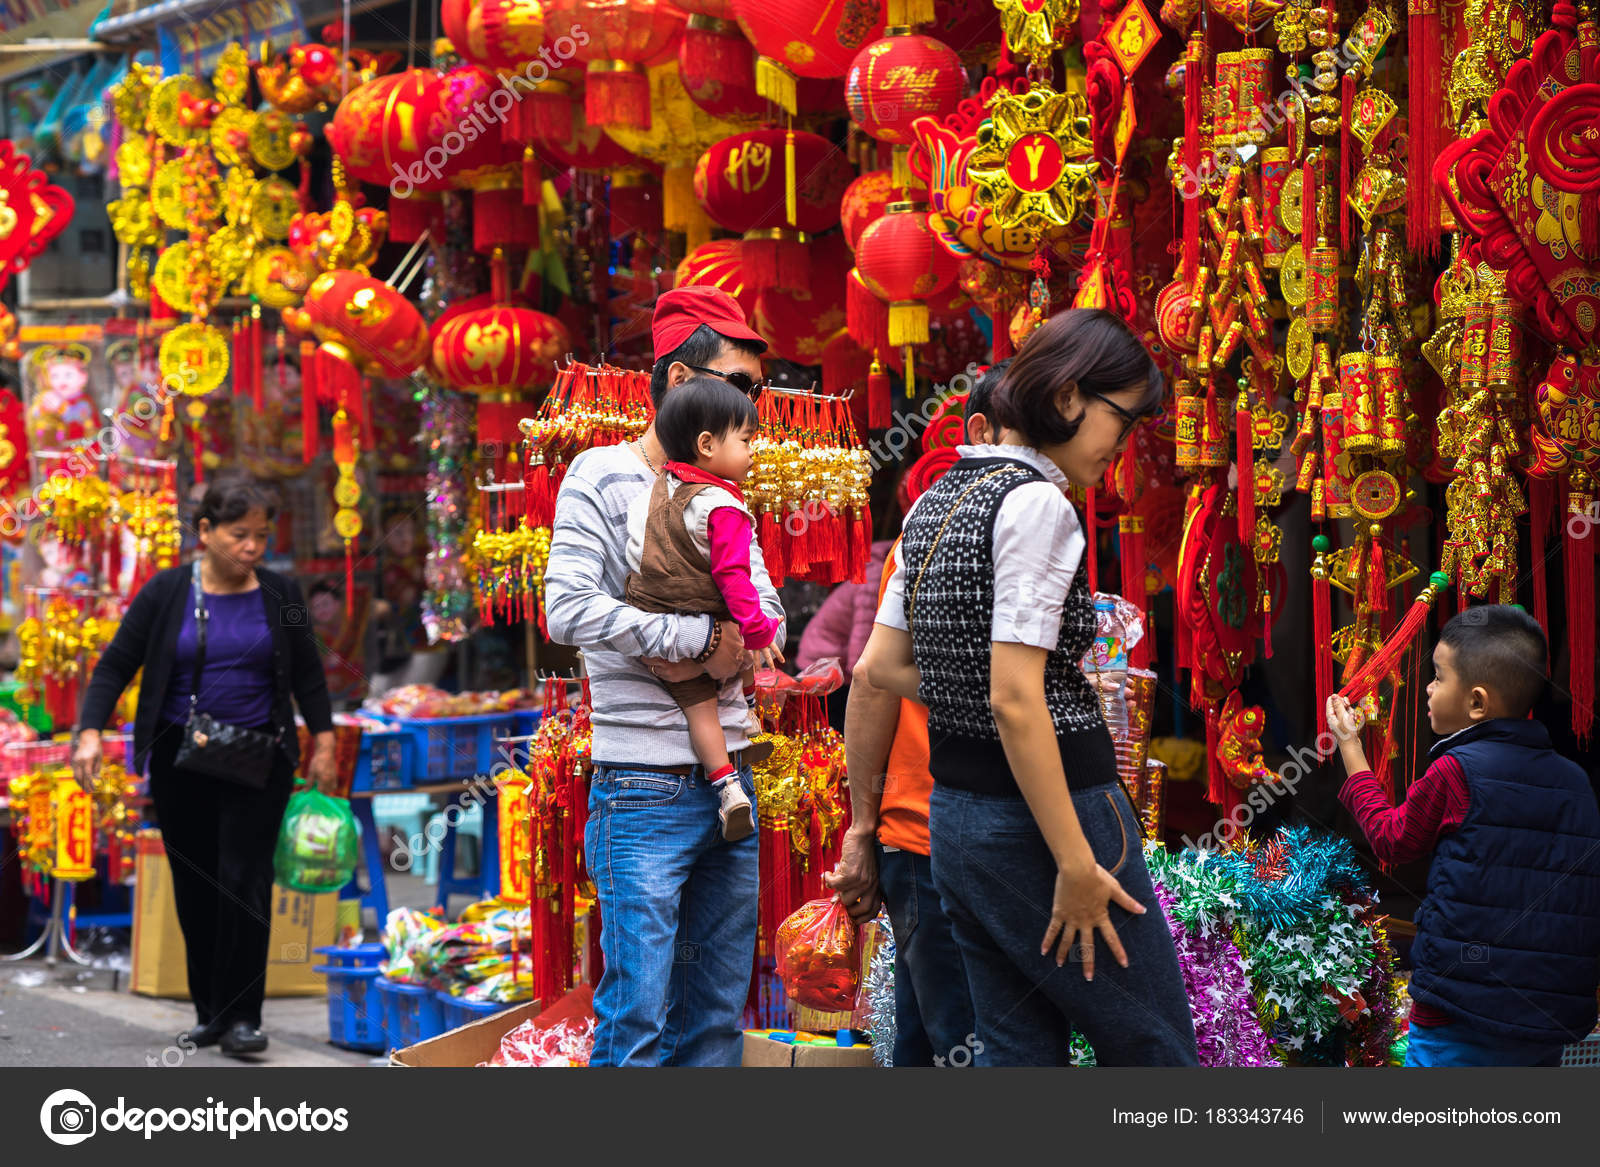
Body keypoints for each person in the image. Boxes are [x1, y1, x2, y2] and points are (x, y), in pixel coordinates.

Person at [856, 311, 1196, 1066]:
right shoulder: (1039, 503)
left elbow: (882, 664)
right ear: (1071, 396)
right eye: (1124, 418)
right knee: (1156, 1046)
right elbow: (1016, 697)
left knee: (1015, 1049)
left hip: (960, 820)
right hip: (1049, 819)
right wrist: (1076, 860)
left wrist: (984, 693)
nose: (1124, 444)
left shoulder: (934, 502)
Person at [544, 285, 784, 1067]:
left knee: (714, 1017)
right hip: (642, 786)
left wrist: (739, 639)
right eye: (742, 388)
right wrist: (702, 639)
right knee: (638, 1019)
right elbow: (568, 610)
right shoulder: (599, 474)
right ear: (683, 382)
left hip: (734, 779)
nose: (756, 405)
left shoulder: (727, 489)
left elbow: (765, 599)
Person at [73, 474, 336, 1058]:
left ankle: (245, 1016)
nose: (253, 548)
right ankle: (209, 1013)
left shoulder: (281, 592)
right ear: (205, 532)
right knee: (196, 886)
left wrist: (323, 742)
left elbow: (310, 677)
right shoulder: (165, 593)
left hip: (259, 759)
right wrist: (88, 731)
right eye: (240, 535)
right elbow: (115, 666)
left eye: (262, 536)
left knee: (246, 882)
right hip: (179, 760)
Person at [824, 359, 1008, 1066]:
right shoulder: (943, 538)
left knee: (929, 1041)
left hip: (939, 837)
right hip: (935, 837)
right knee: (958, 1041)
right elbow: (872, 680)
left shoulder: (972, 533)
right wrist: (863, 828)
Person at [1327, 605, 1600, 1067]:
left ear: (1476, 702)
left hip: (1456, 1016)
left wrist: (1351, 747)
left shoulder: (1456, 772)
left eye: (1437, 676)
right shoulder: (1575, 782)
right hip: (1541, 1024)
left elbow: (1392, 840)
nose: (1428, 688)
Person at [623, 376, 784, 841]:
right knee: (755, 638)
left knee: (700, 710)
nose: (755, 450)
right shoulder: (722, 507)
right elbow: (735, 579)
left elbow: (635, 557)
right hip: (708, 614)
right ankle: (751, 724)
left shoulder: (652, 493)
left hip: (657, 626)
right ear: (708, 444)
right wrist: (757, 632)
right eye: (747, 440)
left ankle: (727, 786)